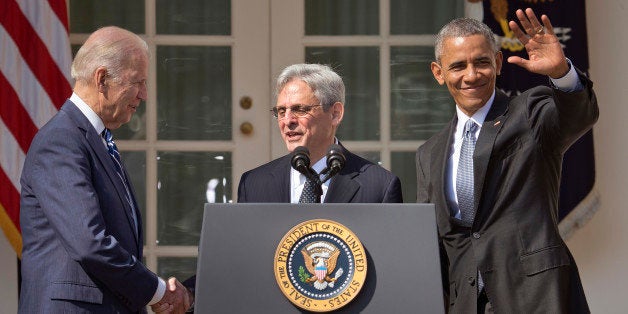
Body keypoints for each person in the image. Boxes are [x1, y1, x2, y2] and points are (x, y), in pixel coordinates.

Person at [415, 8, 597, 313]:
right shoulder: (429, 153)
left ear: (498, 63)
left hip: (535, 297)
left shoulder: (529, 113)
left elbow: (579, 115)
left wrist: (561, 74)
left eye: (482, 62)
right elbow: (435, 244)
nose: (471, 75)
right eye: (458, 66)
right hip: (467, 304)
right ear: (438, 72)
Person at [19, 26, 191, 313]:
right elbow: (90, 243)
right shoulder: (61, 141)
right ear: (102, 79)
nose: (144, 94)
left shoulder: (96, 140)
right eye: (138, 82)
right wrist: (157, 291)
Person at [238, 63, 403, 203]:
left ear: (335, 114)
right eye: (281, 111)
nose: (287, 121)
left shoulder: (379, 187)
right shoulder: (253, 184)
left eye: (300, 109)